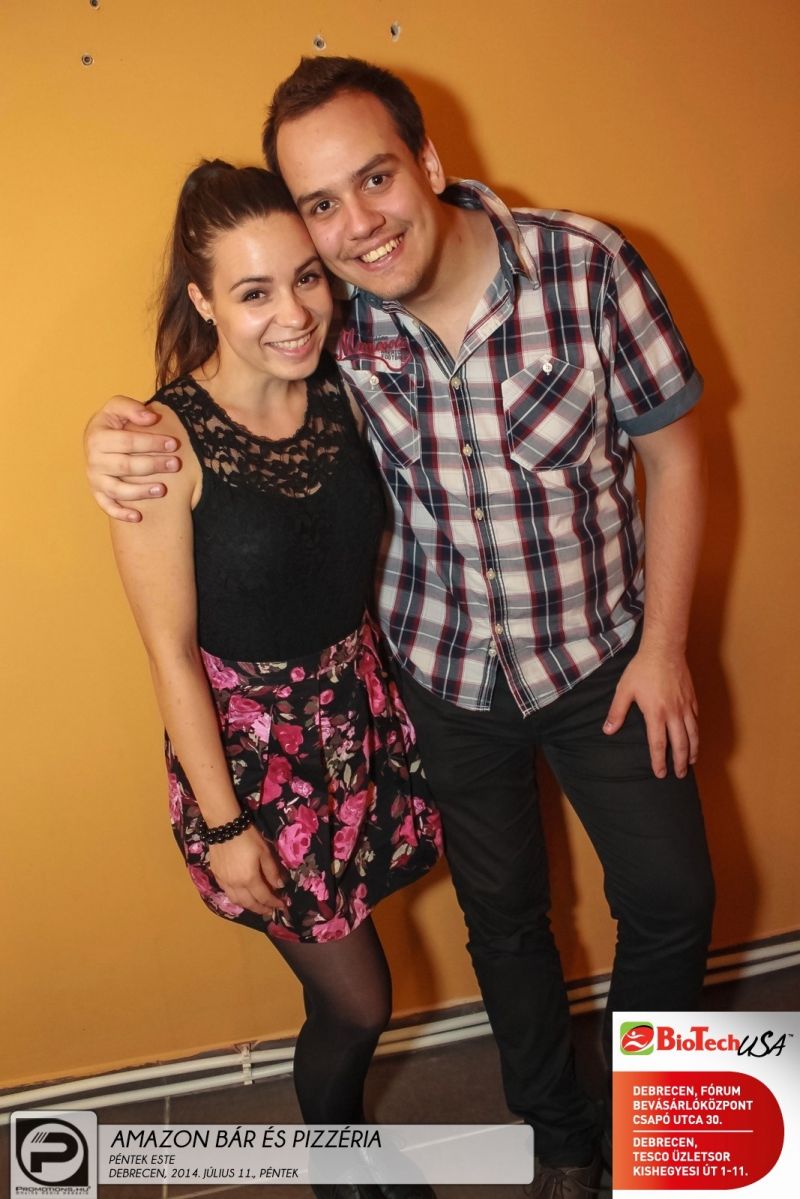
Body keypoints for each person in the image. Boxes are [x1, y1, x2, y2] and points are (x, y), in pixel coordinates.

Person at [85, 59, 715, 1197]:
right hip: (440, 684)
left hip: (600, 660)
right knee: (503, 923)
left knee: (673, 902)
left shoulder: (580, 264)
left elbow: (674, 453)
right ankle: (561, 1142)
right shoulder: (327, 328)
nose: (356, 229)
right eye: (321, 205)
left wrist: (665, 643)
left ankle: (669, 1156)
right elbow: (221, 399)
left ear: (426, 161)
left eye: (374, 179)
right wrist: (110, 433)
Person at [106, 157, 441, 1199]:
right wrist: (224, 824)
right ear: (202, 299)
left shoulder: (346, 387)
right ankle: (334, 1162)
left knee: (353, 986)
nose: (294, 313)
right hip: (255, 762)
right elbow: (169, 649)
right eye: (253, 291)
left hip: (359, 716)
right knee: (358, 1000)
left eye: (305, 277)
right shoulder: (160, 443)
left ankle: (343, 1147)